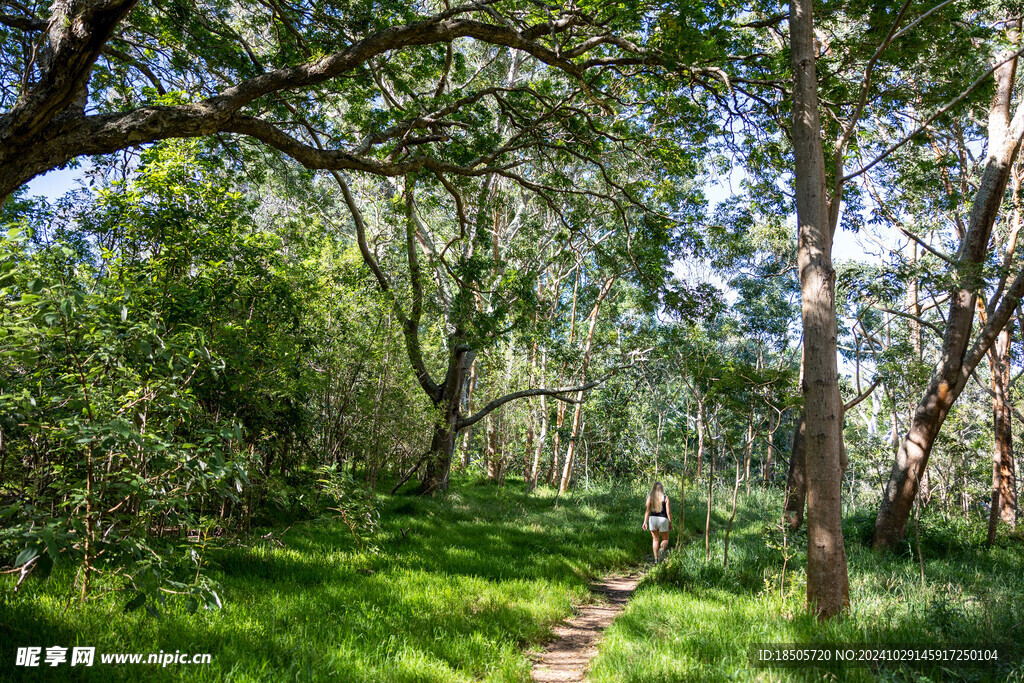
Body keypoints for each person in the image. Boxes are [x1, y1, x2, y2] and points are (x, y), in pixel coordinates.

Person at [642, 481, 671, 563]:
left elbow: (647, 511)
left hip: (652, 519)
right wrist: (671, 522)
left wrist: (645, 522)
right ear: (662, 489)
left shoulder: (650, 498)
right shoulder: (665, 498)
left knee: (655, 540)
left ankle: (656, 559)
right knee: (665, 539)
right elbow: (668, 512)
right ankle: (661, 550)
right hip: (663, 519)